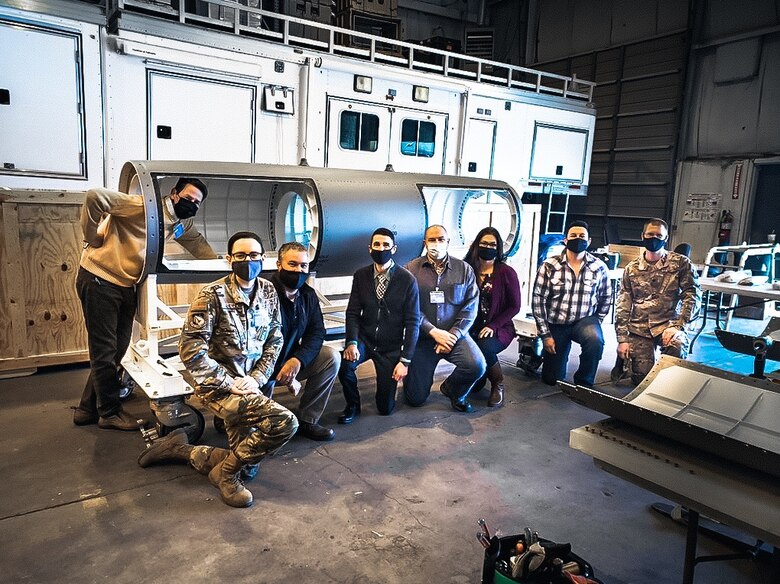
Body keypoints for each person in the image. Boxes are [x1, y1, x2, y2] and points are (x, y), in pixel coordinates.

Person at [73, 177, 216, 430]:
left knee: (115, 350)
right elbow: (95, 196)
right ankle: (109, 412)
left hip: (126, 285)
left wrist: (223, 265)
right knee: (104, 351)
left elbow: (199, 245)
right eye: (188, 198)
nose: (191, 205)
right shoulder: (142, 207)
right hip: (100, 278)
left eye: (196, 203)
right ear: (174, 194)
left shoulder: (180, 223)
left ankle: (86, 409)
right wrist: (92, 237)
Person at [178, 231, 297, 507]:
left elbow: (275, 337)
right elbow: (191, 348)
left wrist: (256, 378)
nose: (248, 261)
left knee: (249, 463)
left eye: (254, 256)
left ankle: (180, 450)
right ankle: (227, 475)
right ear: (229, 259)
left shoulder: (268, 291)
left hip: (252, 387)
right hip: (220, 388)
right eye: (241, 256)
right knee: (285, 423)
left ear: (262, 258)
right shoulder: (212, 295)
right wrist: (228, 382)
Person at [338, 228, 420, 423]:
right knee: (346, 366)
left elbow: (413, 322)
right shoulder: (361, 276)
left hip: (390, 348)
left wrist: (405, 361)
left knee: (385, 409)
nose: (381, 249)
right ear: (370, 248)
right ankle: (353, 405)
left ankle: (385, 396)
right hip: (365, 340)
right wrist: (351, 342)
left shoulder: (407, 280)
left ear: (394, 248)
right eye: (377, 245)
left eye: (385, 245)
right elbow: (352, 312)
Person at [404, 225, 486, 412]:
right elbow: (410, 309)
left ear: (448, 242)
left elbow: (470, 308)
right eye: (432, 240)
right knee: (414, 399)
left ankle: (454, 390)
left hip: (453, 336)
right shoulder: (410, 270)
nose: (437, 243)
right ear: (425, 243)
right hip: (423, 338)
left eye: (441, 239)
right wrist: (433, 332)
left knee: (477, 366)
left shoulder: (464, 270)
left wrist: (453, 335)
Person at [266, 242, 340, 441]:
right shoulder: (263, 293)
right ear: (279, 265)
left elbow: (316, 333)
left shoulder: (307, 295)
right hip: (260, 364)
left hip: (291, 360)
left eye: (303, 266)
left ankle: (308, 419)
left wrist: (297, 360)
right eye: (293, 264)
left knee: (330, 357)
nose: (299, 270)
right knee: (261, 428)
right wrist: (275, 366)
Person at [615, 218, 701, 385]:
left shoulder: (681, 263)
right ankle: (627, 362)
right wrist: (622, 339)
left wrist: (679, 326)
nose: (654, 238)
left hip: (668, 324)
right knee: (641, 380)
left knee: (675, 351)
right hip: (640, 328)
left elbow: (692, 294)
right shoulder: (631, 269)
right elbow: (623, 303)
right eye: (650, 234)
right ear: (642, 236)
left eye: (658, 235)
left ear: (666, 238)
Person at [532, 220, 610, 387]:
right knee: (552, 379)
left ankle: (584, 381)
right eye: (573, 236)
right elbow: (538, 300)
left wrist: (597, 321)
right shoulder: (549, 266)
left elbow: (606, 297)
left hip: (584, 320)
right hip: (557, 323)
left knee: (595, 340)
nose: (577, 239)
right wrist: (545, 336)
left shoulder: (599, 267)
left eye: (582, 236)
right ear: (565, 240)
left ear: (589, 241)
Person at [464, 227, 522, 407]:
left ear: (498, 248)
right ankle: (479, 377)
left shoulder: (506, 272)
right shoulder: (467, 269)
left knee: (485, 346)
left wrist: (493, 325)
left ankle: (498, 383)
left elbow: (515, 306)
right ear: (476, 245)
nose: (487, 247)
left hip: (499, 327)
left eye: (492, 244)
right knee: (470, 355)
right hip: (471, 327)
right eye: (483, 243)